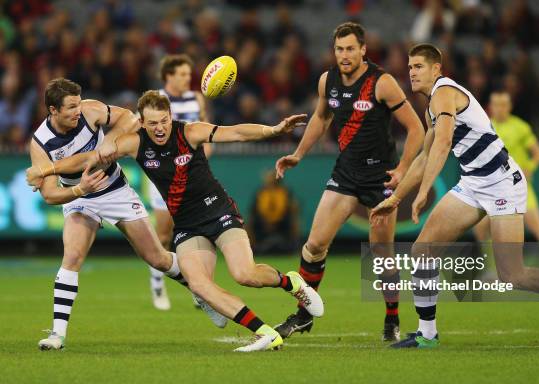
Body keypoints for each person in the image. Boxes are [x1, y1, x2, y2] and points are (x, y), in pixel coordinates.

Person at [28, 90, 324, 352]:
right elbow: (89, 158)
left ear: (171, 117)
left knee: (244, 274)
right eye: (153, 123)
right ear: (142, 123)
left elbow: (235, 133)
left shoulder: (190, 131)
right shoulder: (133, 143)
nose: (160, 128)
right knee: (199, 285)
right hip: (186, 223)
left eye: (164, 120)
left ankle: (291, 282)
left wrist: (273, 129)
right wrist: (48, 170)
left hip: (217, 210)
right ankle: (265, 332)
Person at [371, 44, 539, 349]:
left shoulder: (444, 92)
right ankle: (427, 334)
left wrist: (424, 190)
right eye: (410, 67)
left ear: (436, 69)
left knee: (513, 275)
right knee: (422, 251)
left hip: (502, 184)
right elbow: (424, 157)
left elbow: (442, 145)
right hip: (473, 184)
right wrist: (397, 198)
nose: (411, 72)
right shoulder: (431, 107)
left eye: (418, 66)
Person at [29, 78, 222, 351]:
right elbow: (49, 195)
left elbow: (129, 118)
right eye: (71, 107)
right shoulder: (40, 143)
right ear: (53, 110)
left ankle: (203, 293)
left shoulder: (91, 110)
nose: (77, 111)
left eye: (78, 104)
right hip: (79, 198)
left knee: (157, 258)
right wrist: (79, 190)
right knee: (71, 257)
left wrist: (107, 142)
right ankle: (57, 335)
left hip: (115, 190)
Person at [274, 22, 426, 341]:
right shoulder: (327, 81)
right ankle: (305, 314)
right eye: (339, 49)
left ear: (363, 50)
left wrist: (401, 170)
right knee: (314, 245)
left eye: (350, 49)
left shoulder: (381, 83)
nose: (344, 55)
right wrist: (299, 153)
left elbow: (416, 128)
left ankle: (391, 318)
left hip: (379, 179)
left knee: (381, 252)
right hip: (345, 173)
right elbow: (321, 117)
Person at [473, 91, 539, 278]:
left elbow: (538, 153)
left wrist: (530, 168)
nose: (500, 108)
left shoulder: (520, 127)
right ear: (490, 106)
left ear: (509, 106)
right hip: (492, 189)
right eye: (496, 104)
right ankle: (492, 269)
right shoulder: (485, 126)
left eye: (503, 104)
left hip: (518, 188)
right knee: (481, 228)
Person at [147, 54, 211, 311]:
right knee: (163, 235)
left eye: (188, 74)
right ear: (168, 76)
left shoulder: (197, 98)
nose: (188, 78)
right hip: (164, 176)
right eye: (182, 74)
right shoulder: (154, 100)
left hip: (193, 175)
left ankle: (201, 288)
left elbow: (204, 132)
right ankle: (157, 283)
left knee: (200, 231)